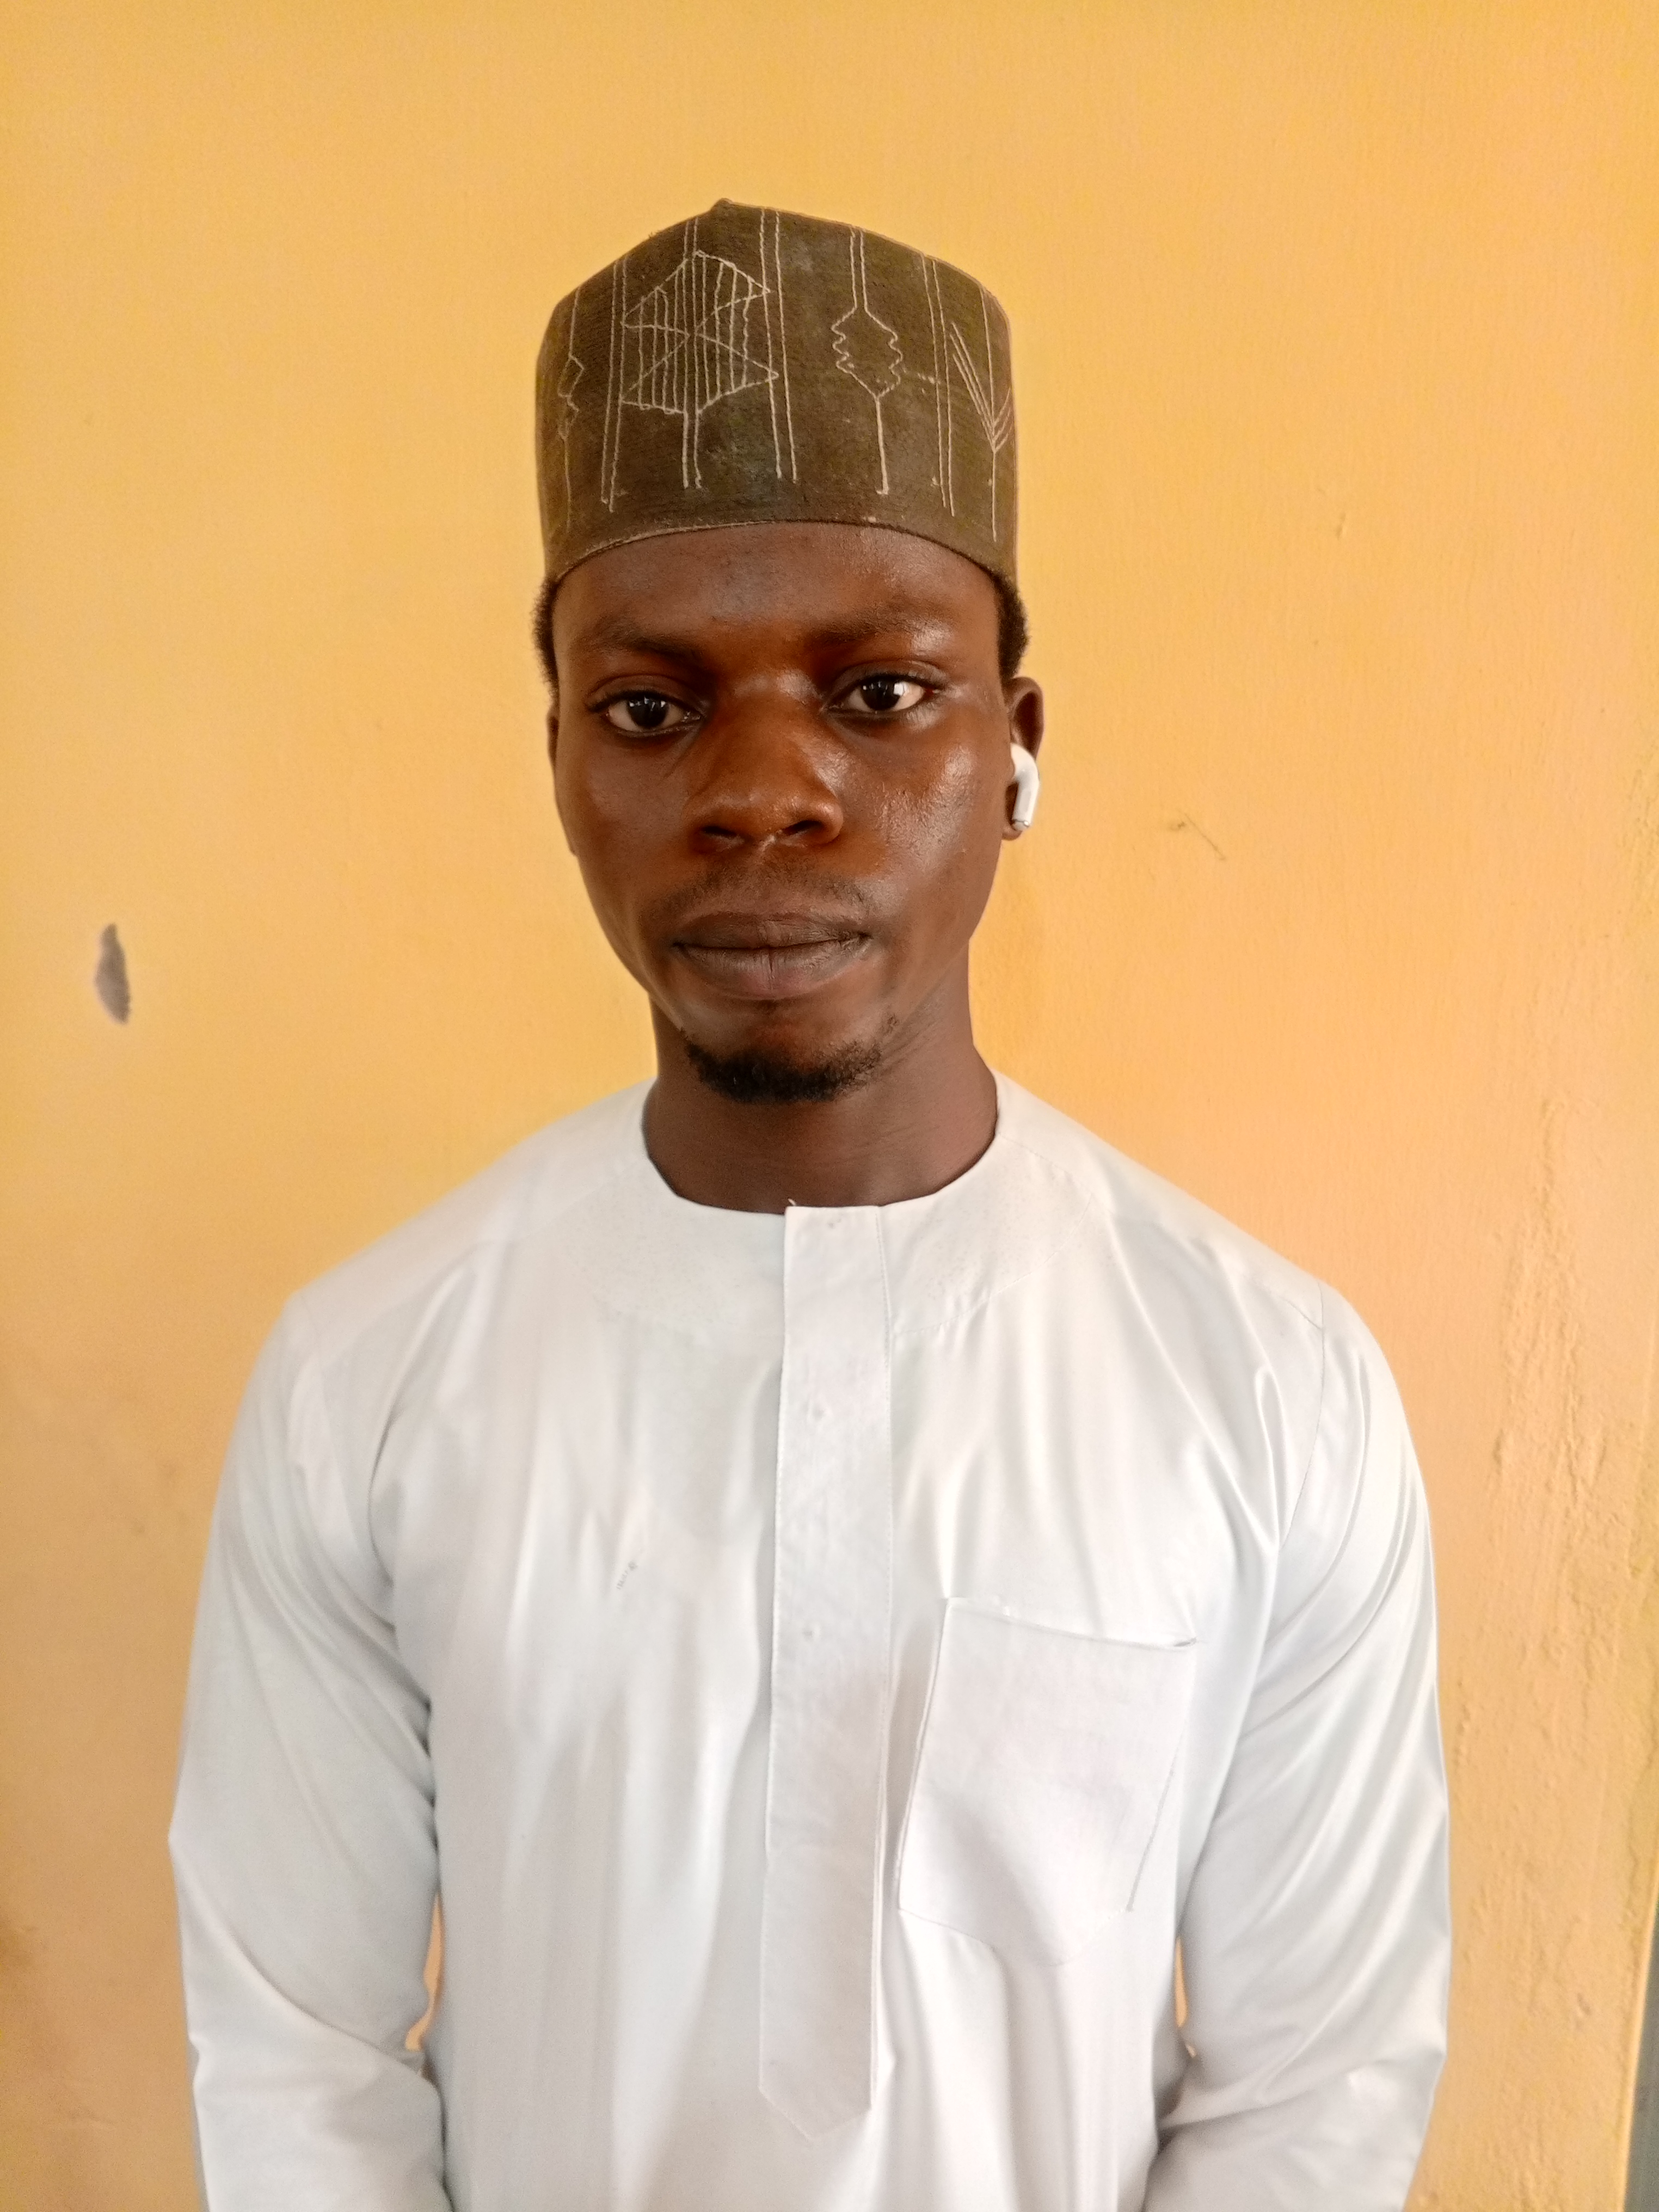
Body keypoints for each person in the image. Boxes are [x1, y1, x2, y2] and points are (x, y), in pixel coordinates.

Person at [171, 200, 1449, 2211]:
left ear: (1016, 750)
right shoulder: (373, 1381)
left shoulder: (1269, 1390)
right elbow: (296, 2059)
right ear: (561, 762)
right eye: (652, 707)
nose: (764, 789)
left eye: (879, 694)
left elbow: (1322, 2082)